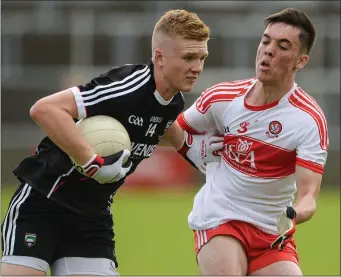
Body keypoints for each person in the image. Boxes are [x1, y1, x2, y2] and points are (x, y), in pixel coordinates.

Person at [1, 9, 212, 276]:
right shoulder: (129, 86)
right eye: (189, 57)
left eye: (202, 58)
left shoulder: (173, 102)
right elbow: (44, 110)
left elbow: (165, 126)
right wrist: (91, 160)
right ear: (159, 57)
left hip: (92, 217)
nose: (198, 67)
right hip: (43, 203)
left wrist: (202, 151)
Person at [174, 8, 329, 276]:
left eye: (283, 46)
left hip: (271, 232)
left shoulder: (309, 119)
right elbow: (170, 130)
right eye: (266, 41)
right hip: (220, 218)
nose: (269, 50)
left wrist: (295, 214)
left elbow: (308, 196)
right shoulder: (222, 98)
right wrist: (191, 148)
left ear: (301, 61)